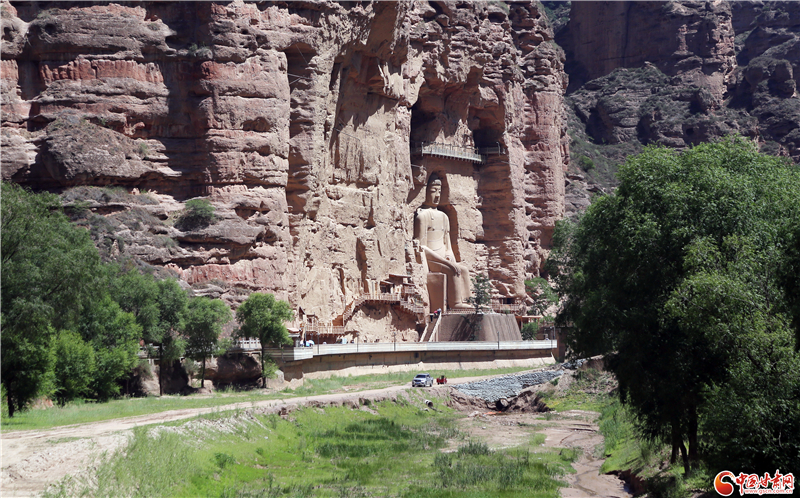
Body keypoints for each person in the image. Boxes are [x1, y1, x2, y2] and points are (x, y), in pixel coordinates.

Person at [414, 175, 472, 309]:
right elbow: (422, 247)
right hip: (431, 258)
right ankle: (455, 303)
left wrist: (450, 257)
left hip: (443, 258)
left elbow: (448, 245)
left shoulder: (444, 217)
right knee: (452, 270)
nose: (437, 195)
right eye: (433, 191)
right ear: (426, 192)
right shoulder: (422, 216)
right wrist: (446, 262)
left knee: (463, 270)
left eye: (439, 191)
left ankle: (468, 302)